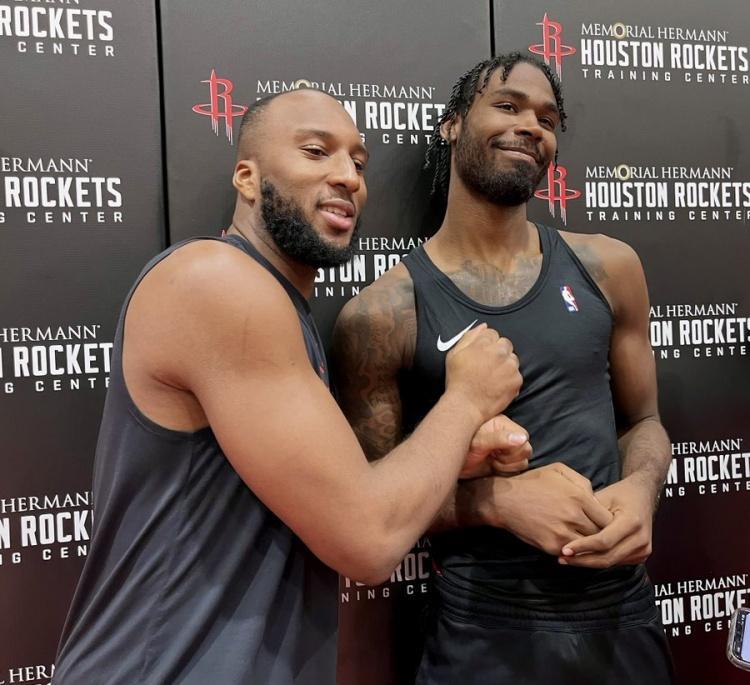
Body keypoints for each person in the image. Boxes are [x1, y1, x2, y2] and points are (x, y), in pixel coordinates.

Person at [51, 89, 526, 685]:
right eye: (315, 151)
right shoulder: (218, 284)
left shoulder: (274, 308)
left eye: (358, 162)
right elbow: (368, 538)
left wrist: (455, 455)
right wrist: (467, 399)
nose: (348, 176)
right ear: (247, 178)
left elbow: (325, 493)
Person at [332, 53, 674, 684]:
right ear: (453, 124)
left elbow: (645, 422)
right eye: (508, 106)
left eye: (547, 119)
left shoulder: (610, 268)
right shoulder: (382, 314)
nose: (530, 127)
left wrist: (641, 489)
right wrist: (496, 503)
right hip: (483, 635)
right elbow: (374, 508)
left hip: (622, 618)